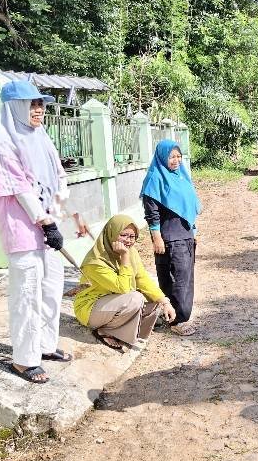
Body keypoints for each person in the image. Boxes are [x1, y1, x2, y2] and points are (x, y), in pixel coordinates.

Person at [0, 80, 88, 384]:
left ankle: (45, 346)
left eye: (40, 104)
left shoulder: (41, 138)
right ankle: (24, 359)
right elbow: (21, 191)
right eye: (31, 104)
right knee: (27, 294)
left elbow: (58, 177)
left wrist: (71, 214)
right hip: (23, 232)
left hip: (49, 229)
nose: (38, 110)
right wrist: (46, 222)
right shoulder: (3, 145)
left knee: (51, 289)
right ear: (14, 107)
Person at [73, 215, 176, 351]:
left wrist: (165, 302)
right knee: (135, 298)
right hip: (90, 309)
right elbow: (124, 288)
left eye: (132, 236)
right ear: (112, 233)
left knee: (154, 301)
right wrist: (125, 257)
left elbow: (142, 279)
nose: (128, 240)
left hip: (111, 302)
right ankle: (104, 330)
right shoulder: (95, 262)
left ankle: (124, 329)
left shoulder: (131, 252)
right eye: (123, 235)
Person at [140, 140, 201, 336]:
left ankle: (174, 315)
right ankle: (177, 320)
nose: (176, 160)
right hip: (170, 238)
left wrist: (193, 231)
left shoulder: (181, 176)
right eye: (171, 157)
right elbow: (152, 213)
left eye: (178, 156)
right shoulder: (155, 178)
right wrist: (156, 238)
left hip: (185, 235)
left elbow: (190, 206)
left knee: (186, 277)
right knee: (175, 279)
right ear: (162, 157)